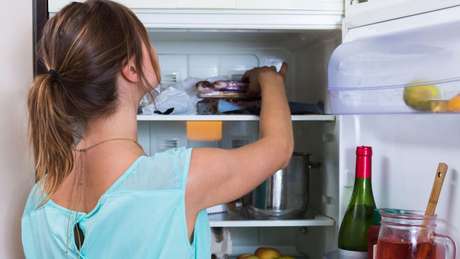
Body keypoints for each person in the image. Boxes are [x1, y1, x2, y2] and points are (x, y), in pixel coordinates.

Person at [22, 0, 293, 258]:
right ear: (130, 68)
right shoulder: (177, 182)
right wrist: (270, 80)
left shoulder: (39, 199)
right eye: (146, 41)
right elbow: (278, 148)